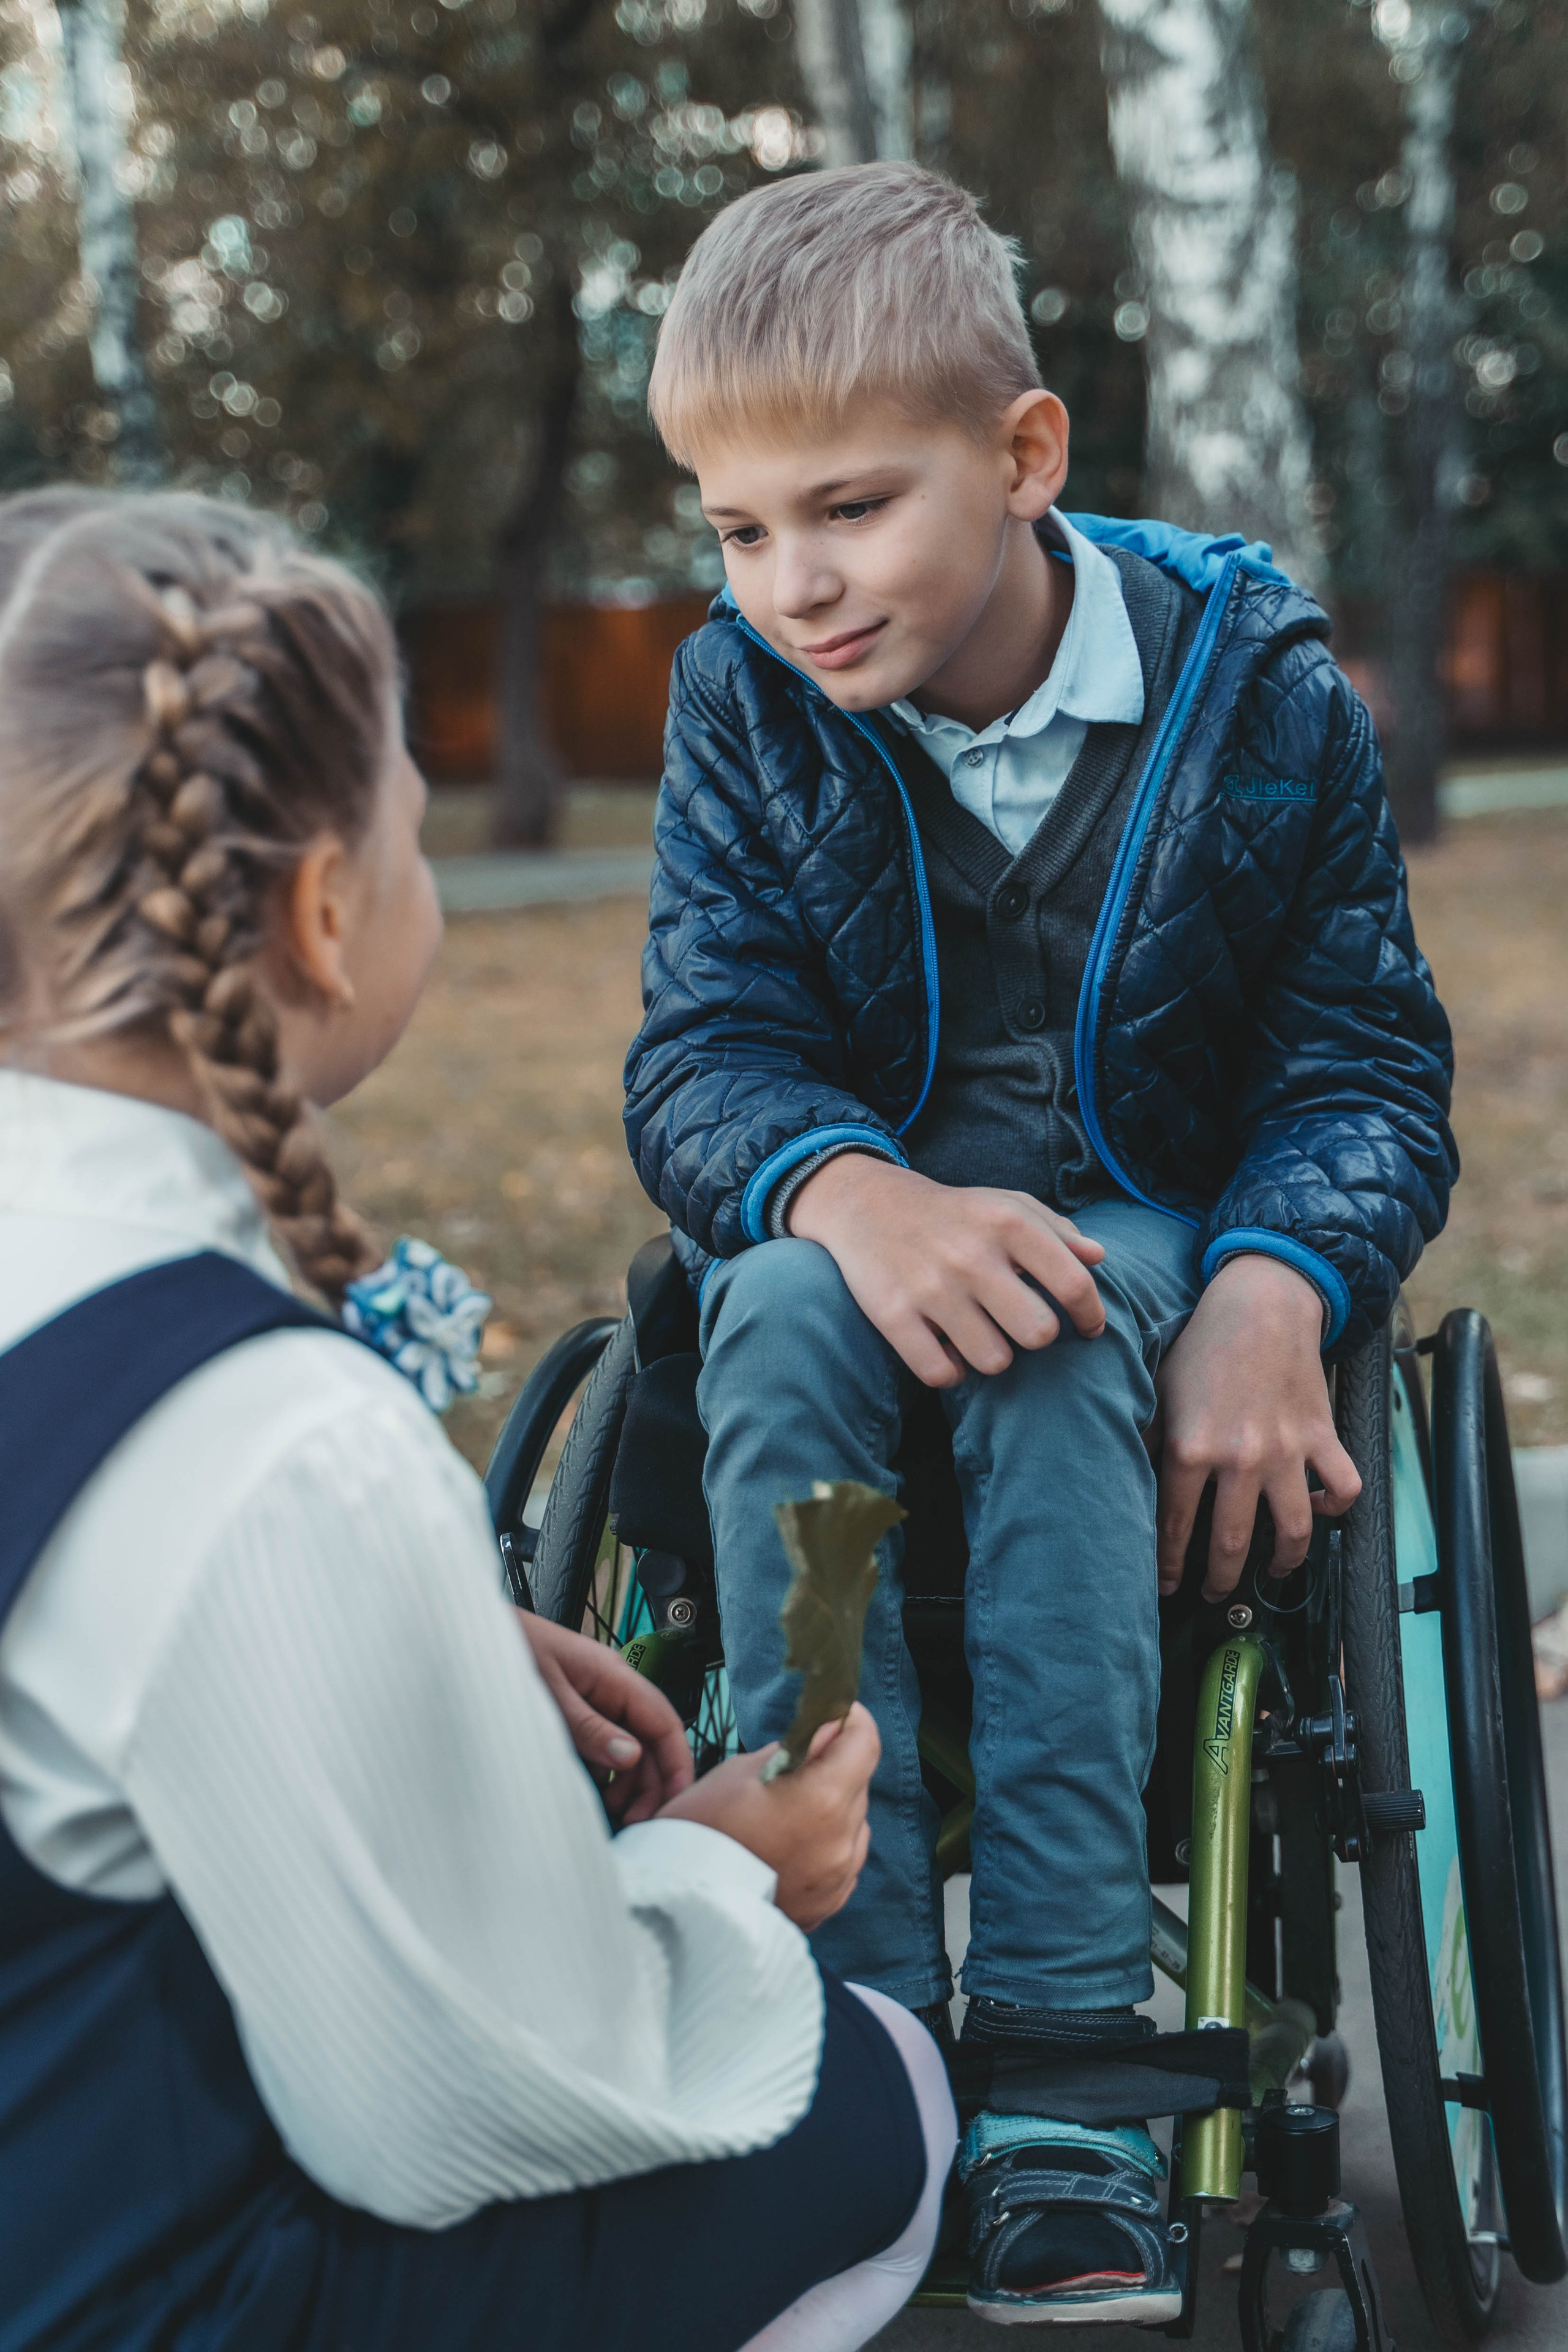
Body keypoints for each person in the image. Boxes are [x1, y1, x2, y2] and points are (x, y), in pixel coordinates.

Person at [624, 162, 1457, 2324]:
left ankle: (1070, 2063)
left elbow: (1362, 1063)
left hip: (1155, 1242)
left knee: (1058, 1330)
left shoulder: (1254, 686)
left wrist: (1277, 1287)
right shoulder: (744, 700)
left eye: (849, 508)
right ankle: (853, 2017)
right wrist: (850, 1187)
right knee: (771, 1311)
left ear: (1025, 453)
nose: (794, 585)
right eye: (739, 530)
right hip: (852, 1268)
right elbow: (706, 1051)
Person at [0, 489, 955, 2352]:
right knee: (876, 2096)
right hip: (124, 2292)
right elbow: (465, 2103)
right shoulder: (270, 1435)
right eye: (414, 822)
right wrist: (727, 1874)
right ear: (324, 913)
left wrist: (420, 1635)